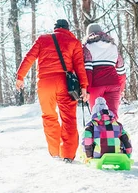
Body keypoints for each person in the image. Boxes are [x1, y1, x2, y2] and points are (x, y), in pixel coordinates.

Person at [15, 19, 89, 163]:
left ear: (55, 29)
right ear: (67, 29)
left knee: (49, 116)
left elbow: (29, 57)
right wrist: (84, 87)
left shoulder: (43, 39)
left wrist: (20, 76)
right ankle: (67, 154)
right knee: (69, 118)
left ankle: (55, 151)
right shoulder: (73, 42)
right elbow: (80, 66)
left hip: (45, 83)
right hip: (65, 83)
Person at [82, 23, 124, 117]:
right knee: (113, 117)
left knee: (97, 117)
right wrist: (121, 88)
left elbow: (88, 69)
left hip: (96, 85)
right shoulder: (113, 46)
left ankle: (99, 132)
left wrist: (87, 90)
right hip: (113, 84)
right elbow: (121, 70)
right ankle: (113, 132)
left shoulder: (87, 47)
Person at [82, 97, 132, 163]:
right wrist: (127, 155)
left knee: (86, 138)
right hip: (117, 155)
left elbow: (87, 141)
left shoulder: (92, 126)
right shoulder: (118, 125)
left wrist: (89, 156)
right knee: (124, 135)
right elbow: (126, 140)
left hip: (98, 156)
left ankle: (87, 157)